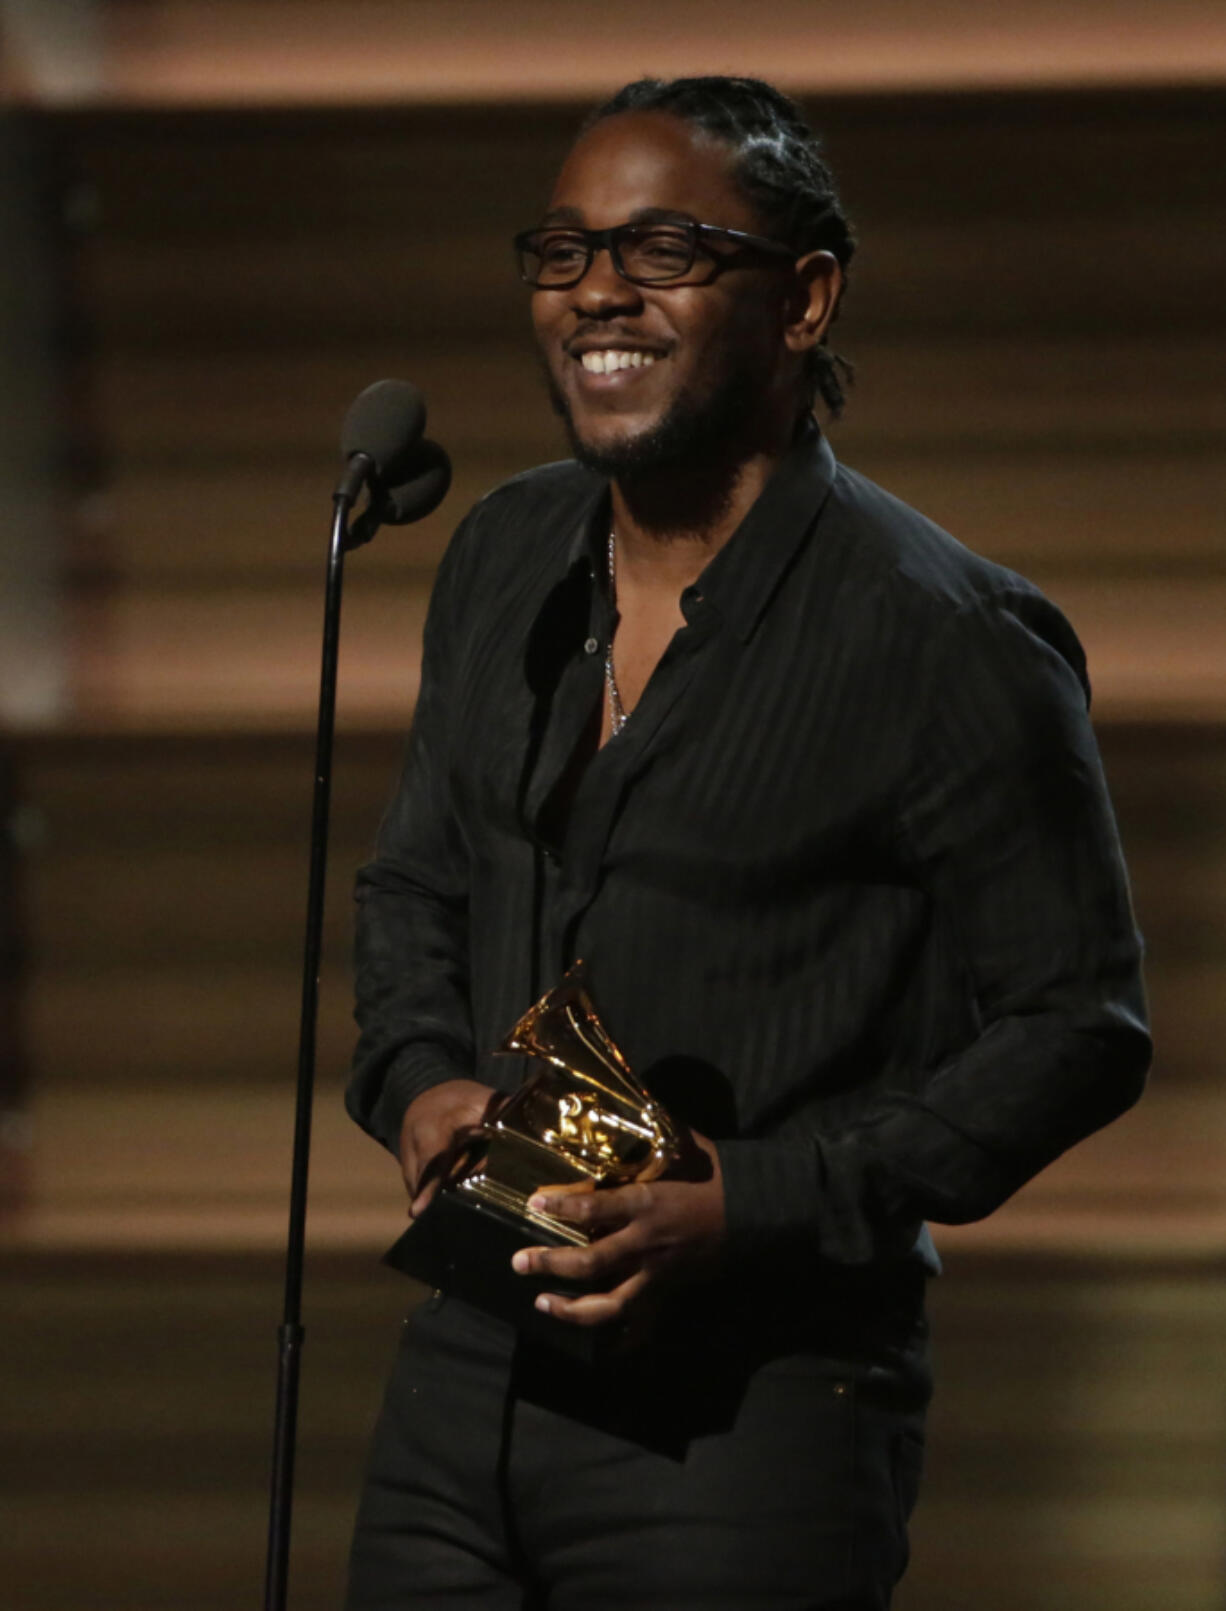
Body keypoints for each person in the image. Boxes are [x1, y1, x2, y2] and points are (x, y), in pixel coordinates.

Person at [343, 75, 1150, 1611]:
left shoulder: (947, 635)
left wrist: (763, 1200)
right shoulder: (502, 554)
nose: (596, 291)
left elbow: (1077, 1026)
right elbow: (415, 880)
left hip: (750, 1413)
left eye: (663, 250)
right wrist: (416, 1077)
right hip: (464, 1370)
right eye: (563, 249)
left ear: (805, 299)